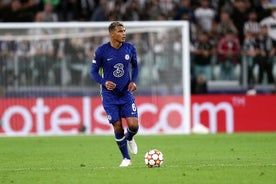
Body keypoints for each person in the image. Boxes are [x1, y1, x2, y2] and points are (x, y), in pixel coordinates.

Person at [90, 21, 139, 167]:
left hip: (126, 93)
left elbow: (135, 66)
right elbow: (93, 72)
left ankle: (129, 138)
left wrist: (134, 81)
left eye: (124, 31)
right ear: (112, 33)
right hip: (109, 95)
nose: (124, 34)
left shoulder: (130, 48)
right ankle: (126, 158)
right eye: (120, 31)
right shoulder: (101, 51)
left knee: (134, 126)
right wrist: (104, 82)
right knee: (117, 126)